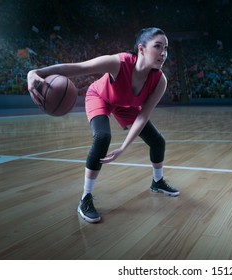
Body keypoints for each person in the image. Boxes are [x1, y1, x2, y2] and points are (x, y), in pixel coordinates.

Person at [27, 27, 179, 223]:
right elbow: (78, 68)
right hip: (100, 97)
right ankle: (85, 198)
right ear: (141, 49)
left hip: (125, 105)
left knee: (158, 142)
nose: (164, 53)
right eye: (158, 46)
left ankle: (157, 182)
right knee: (102, 137)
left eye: (166, 48)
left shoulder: (160, 81)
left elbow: (142, 116)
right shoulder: (118, 62)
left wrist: (123, 148)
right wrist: (35, 72)